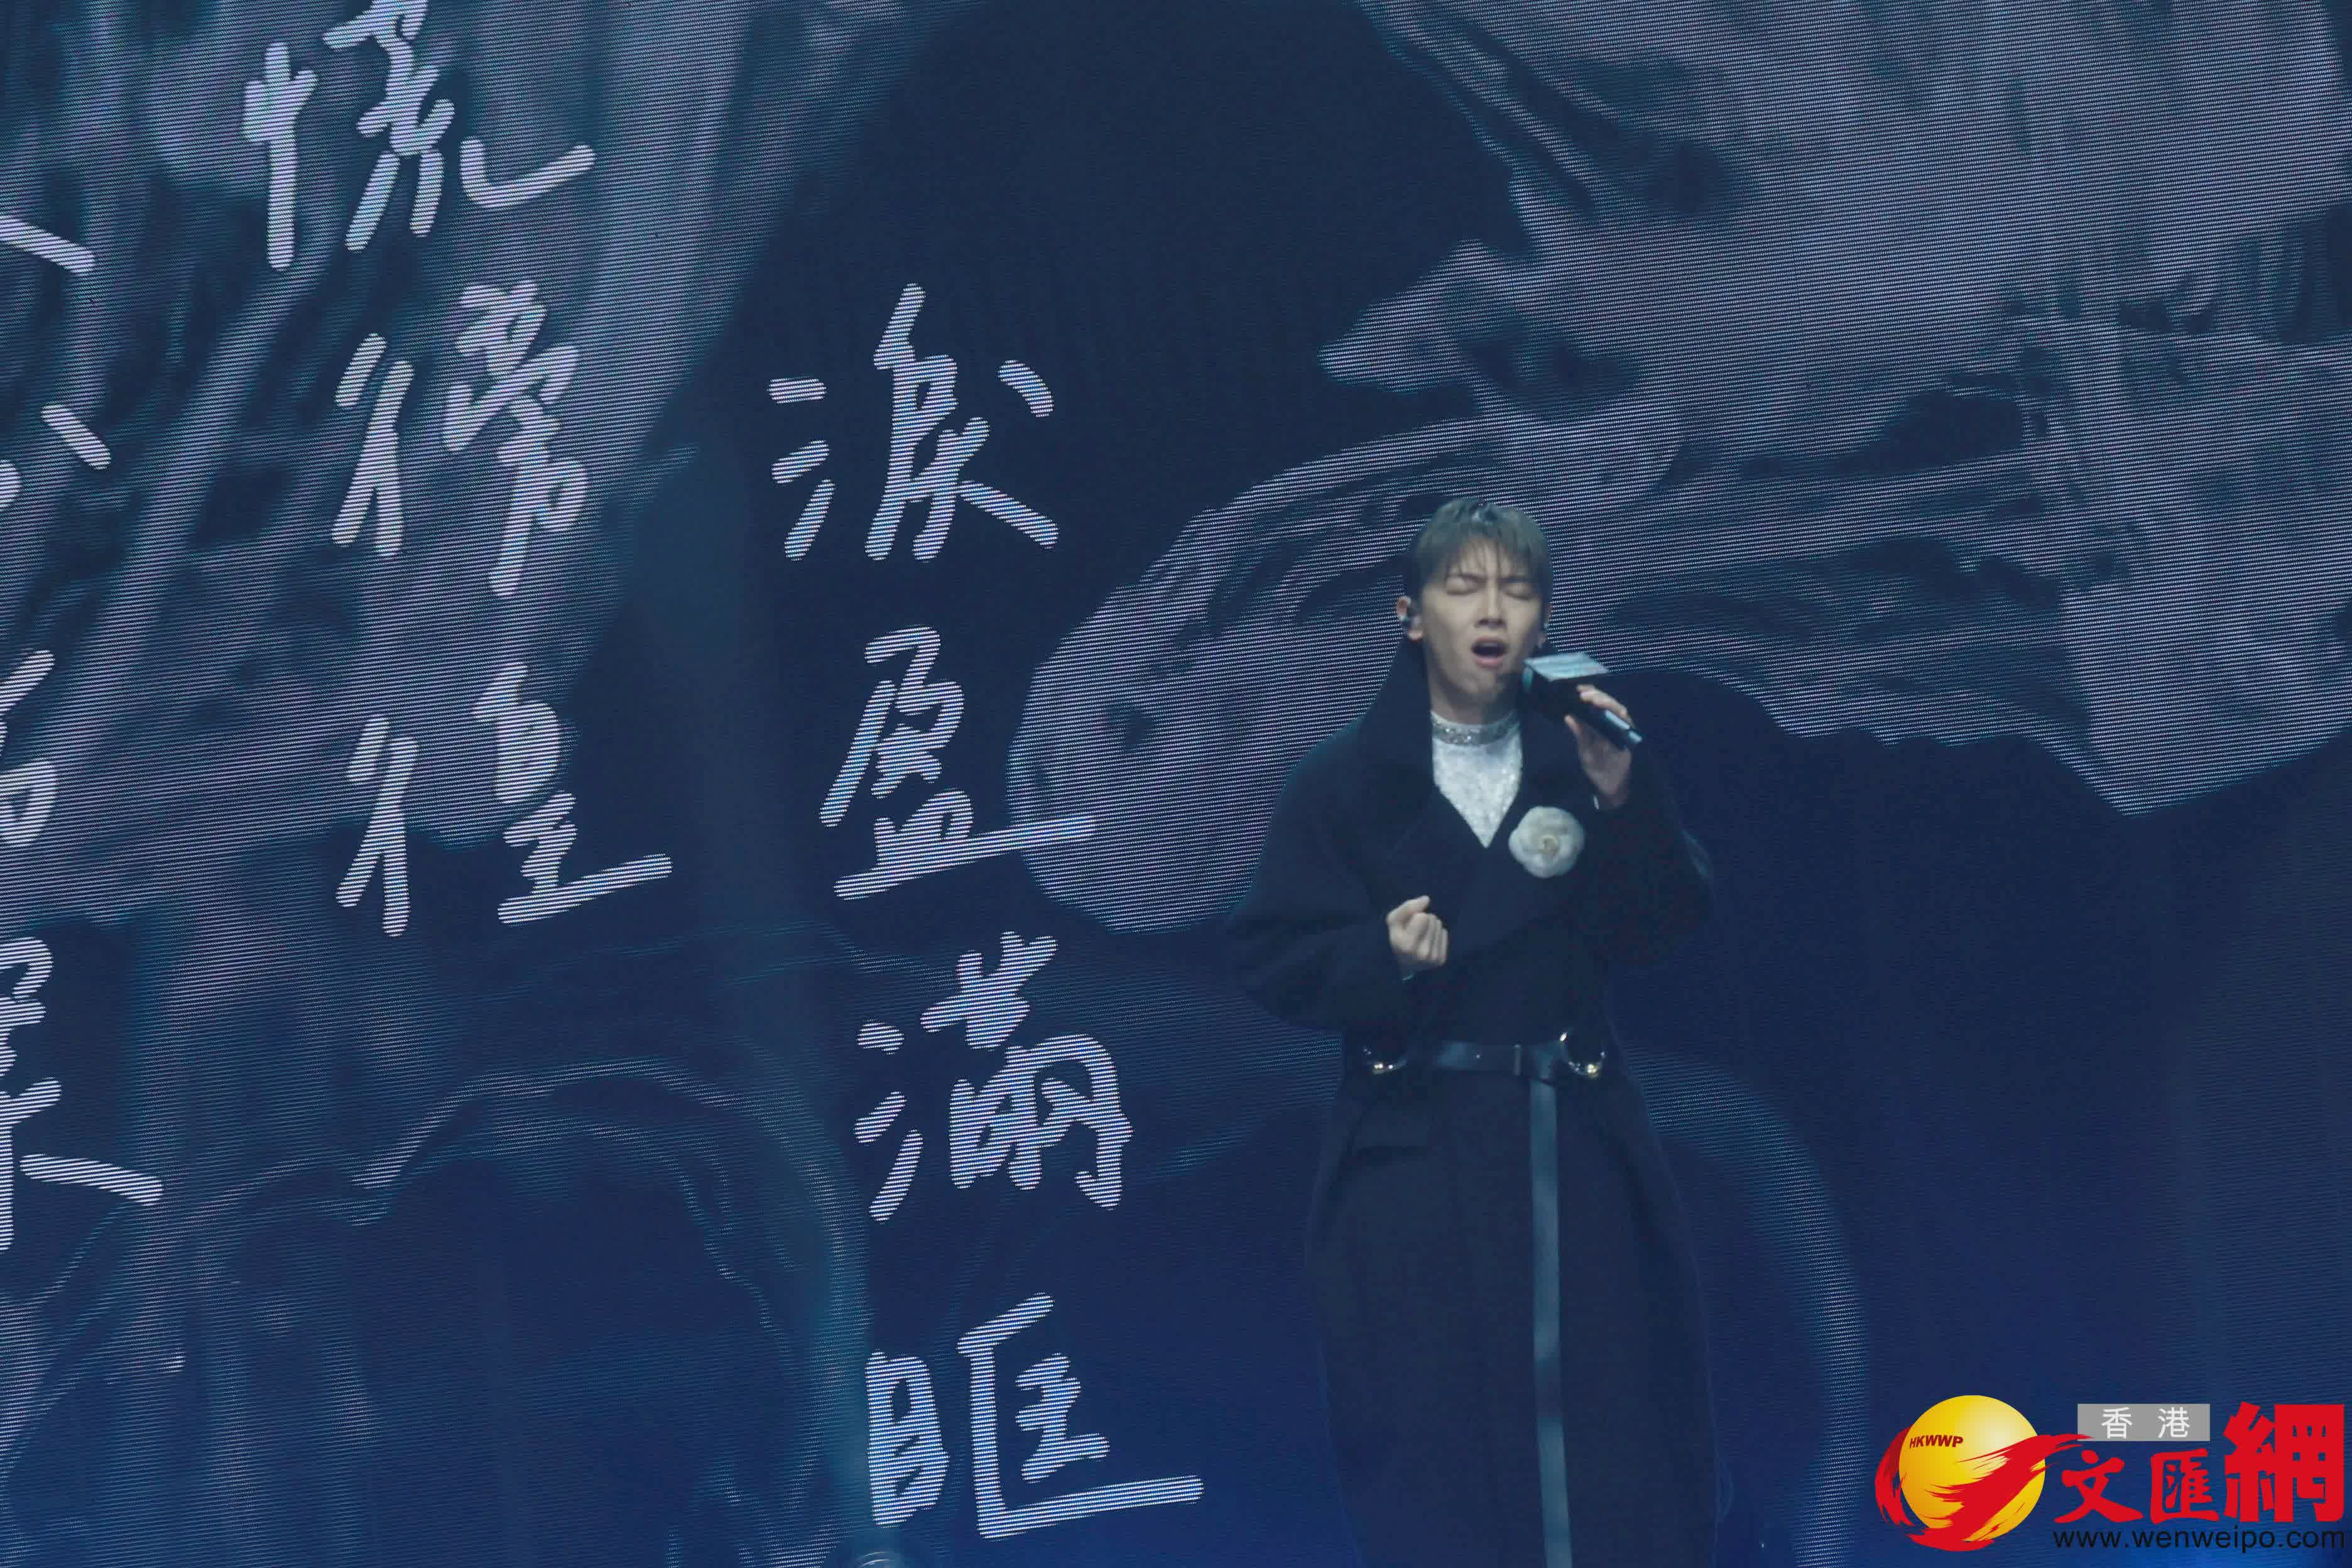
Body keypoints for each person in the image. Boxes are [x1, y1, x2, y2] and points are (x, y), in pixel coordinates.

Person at [1224, 499, 1721, 1567]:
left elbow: (1662, 925)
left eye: (1518, 591)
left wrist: (1626, 800)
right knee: (1429, 1429)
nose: (1492, 613)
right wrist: (1381, 958)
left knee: (1609, 1418)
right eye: (1465, 589)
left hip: (1569, 1139)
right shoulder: (1342, 783)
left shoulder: (1583, 762)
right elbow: (1269, 958)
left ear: (1542, 621)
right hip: (1414, 1147)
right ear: (1412, 616)